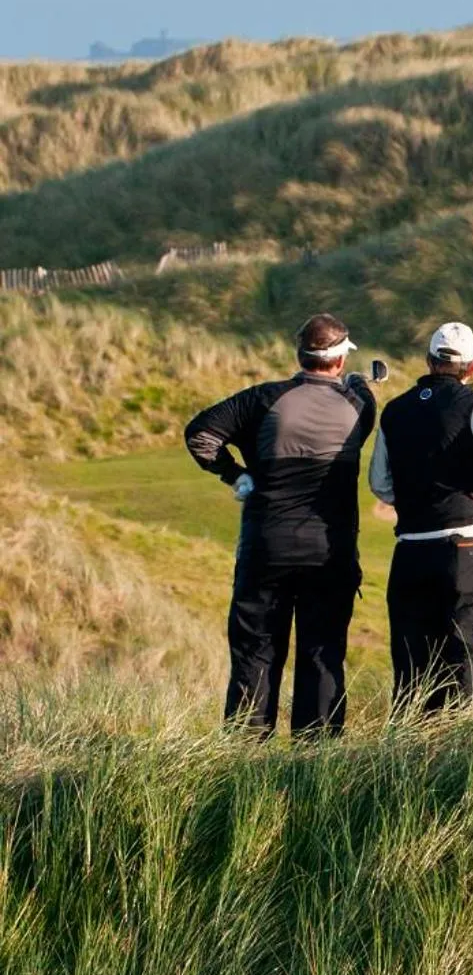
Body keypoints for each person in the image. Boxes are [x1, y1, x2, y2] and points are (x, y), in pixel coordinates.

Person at [183, 312, 376, 736]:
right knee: (322, 653)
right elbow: (360, 412)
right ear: (340, 361)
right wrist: (360, 381)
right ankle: (317, 759)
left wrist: (236, 474)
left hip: (266, 547)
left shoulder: (264, 398)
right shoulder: (360, 405)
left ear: (299, 354)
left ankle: (244, 758)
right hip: (329, 552)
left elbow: (200, 434)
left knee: (256, 653)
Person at [368, 321, 473, 712]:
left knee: (414, 677)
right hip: (469, 550)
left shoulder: (394, 412)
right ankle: (464, 765)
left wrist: (417, 501)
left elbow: (380, 483)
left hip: (410, 554)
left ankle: (414, 767)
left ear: (428, 361)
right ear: (472, 368)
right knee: (471, 671)